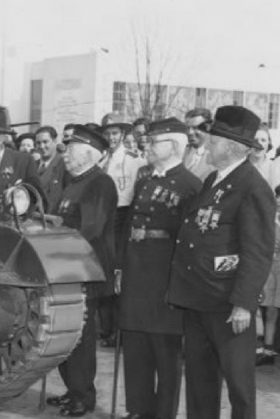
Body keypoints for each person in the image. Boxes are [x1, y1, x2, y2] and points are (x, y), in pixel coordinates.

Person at [168, 106, 275, 419]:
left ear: (231, 147)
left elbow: (257, 251)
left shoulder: (253, 187)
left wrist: (243, 303)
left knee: (239, 384)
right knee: (200, 380)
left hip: (228, 303)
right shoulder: (214, 179)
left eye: (212, 141)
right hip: (199, 296)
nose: (207, 146)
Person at [119, 117, 202, 419]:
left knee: (166, 357)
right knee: (136, 350)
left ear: (175, 145)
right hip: (137, 276)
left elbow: (189, 243)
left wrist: (178, 285)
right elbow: (128, 226)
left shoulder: (191, 186)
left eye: (155, 142)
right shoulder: (145, 180)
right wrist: (121, 267)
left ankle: (163, 413)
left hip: (165, 281)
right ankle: (137, 410)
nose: (148, 146)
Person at [46, 124, 117, 417]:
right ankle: (72, 389)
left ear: (89, 154)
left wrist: (56, 227)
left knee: (81, 338)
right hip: (66, 269)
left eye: (72, 149)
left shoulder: (100, 183)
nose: (66, 154)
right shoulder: (73, 181)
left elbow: (91, 228)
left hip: (87, 270)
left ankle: (84, 396)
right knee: (65, 333)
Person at [98, 112, 147, 347]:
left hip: (122, 217)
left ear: (123, 134)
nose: (111, 137)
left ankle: (121, 329)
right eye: (107, 133)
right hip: (103, 219)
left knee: (119, 274)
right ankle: (107, 328)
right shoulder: (100, 160)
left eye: (115, 133)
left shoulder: (132, 160)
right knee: (105, 272)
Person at [257, 185, 280, 366]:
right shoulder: (269, 219)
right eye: (277, 196)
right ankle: (267, 348)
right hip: (268, 267)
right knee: (267, 308)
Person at [35, 125, 66, 213]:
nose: (41, 146)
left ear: (55, 141)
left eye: (45, 142)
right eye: (38, 143)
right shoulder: (32, 165)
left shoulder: (63, 165)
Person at [183, 107, 216, 181]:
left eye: (195, 128)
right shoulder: (182, 152)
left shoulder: (217, 155)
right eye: (188, 128)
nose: (190, 132)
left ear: (208, 127)